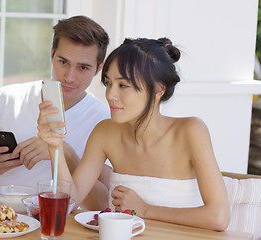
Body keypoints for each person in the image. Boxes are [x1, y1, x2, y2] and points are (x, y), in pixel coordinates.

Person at [37, 37, 230, 231]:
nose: (110, 95)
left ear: (158, 89)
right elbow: (70, 200)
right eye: (108, 83)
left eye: (123, 85)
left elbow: (218, 217)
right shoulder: (105, 132)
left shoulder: (190, 131)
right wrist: (55, 146)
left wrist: (146, 209)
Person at [0, 15, 111, 210]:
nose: (70, 77)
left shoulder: (104, 120)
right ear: (52, 54)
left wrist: (64, 153)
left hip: (60, 225)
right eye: (63, 62)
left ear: (99, 68)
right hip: (0, 221)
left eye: (83, 68)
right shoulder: (8, 98)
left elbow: (104, 203)